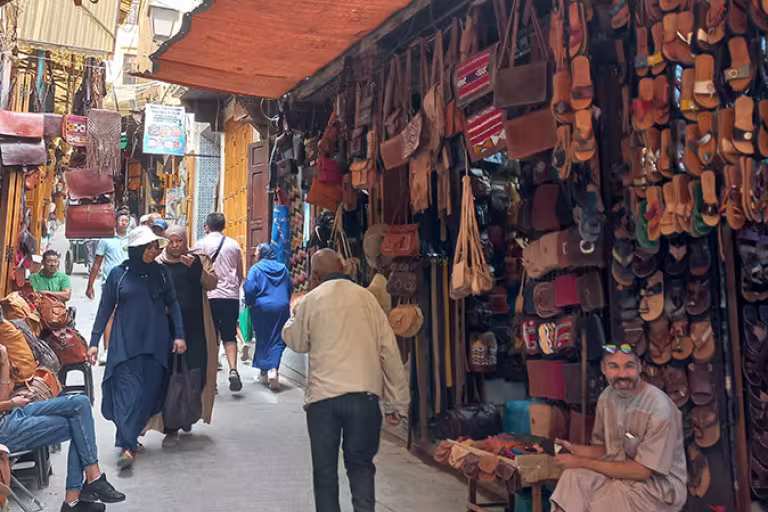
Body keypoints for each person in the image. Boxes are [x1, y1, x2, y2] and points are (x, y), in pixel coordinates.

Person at [282, 249, 409, 512]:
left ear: (314, 275)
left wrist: (292, 318)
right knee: (361, 467)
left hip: (323, 402)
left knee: (325, 472)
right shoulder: (367, 298)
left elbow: (296, 341)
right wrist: (398, 403)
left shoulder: (311, 300)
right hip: (364, 398)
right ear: (343, 265)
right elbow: (389, 351)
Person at [88, 226, 187, 469]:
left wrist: (180, 336)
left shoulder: (162, 274)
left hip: (156, 344)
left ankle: (127, 437)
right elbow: (104, 310)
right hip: (125, 346)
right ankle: (128, 446)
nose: (154, 251)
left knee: (149, 395)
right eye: (150, 247)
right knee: (126, 394)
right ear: (136, 249)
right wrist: (93, 342)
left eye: (155, 246)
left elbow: (173, 304)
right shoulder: (117, 275)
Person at [550, 344, 687, 512]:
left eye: (628, 366)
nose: (622, 375)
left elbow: (643, 471)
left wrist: (580, 461)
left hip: (656, 488)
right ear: (603, 368)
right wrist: (575, 449)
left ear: (639, 366)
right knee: (573, 478)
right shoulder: (607, 398)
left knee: (602, 502)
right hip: (619, 473)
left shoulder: (659, 408)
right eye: (613, 366)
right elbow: (607, 450)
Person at [0, 345, 125, 511]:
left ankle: (86, 485)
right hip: (5, 430)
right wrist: (10, 402)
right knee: (79, 426)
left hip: (11, 414)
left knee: (80, 403)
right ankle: (76, 495)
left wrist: (4, 362)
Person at [155, 225, 218, 447]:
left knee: (196, 371)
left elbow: (212, 283)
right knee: (170, 375)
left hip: (196, 327)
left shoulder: (198, 260)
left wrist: (196, 270)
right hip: (168, 329)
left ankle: (189, 413)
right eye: (170, 242)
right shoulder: (158, 263)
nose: (174, 246)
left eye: (178, 241)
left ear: (185, 241)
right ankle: (170, 427)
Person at [194, 213, 244, 392]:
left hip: (209, 297)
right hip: (230, 297)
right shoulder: (234, 245)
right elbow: (240, 274)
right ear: (223, 226)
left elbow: (195, 272)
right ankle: (233, 369)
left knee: (211, 338)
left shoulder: (200, 245)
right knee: (230, 335)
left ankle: (212, 382)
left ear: (207, 226)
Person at [244, 243, 293, 391]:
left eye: (257, 251)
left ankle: (265, 371)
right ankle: (271, 370)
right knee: (278, 338)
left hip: (262, 307)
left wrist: (249, 303)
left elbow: (250, 288)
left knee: (263, 338)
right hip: (281, 307)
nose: (256, 254)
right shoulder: (283, 268)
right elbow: (289, 287)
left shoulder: (256, 269)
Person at [86, 212, 130, 364]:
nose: (124, 223)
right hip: (110, 282)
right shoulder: (106, 240)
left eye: (127, 220)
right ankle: (107, 350)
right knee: (109, 314)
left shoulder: (132, 240)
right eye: (122, 220)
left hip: (129, 282)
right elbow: (97, 263)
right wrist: (90, 285)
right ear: (115, 222)